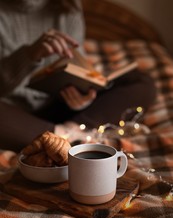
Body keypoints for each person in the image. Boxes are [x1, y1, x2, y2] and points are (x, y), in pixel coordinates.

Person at [0, 0, 156, 152]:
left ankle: (69, 133)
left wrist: (80, 93)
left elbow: (75, 64)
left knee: (140, 81)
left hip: (58, 108)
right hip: (13, 116)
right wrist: (29, 55)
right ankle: (64, 137)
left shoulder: (67, 5)